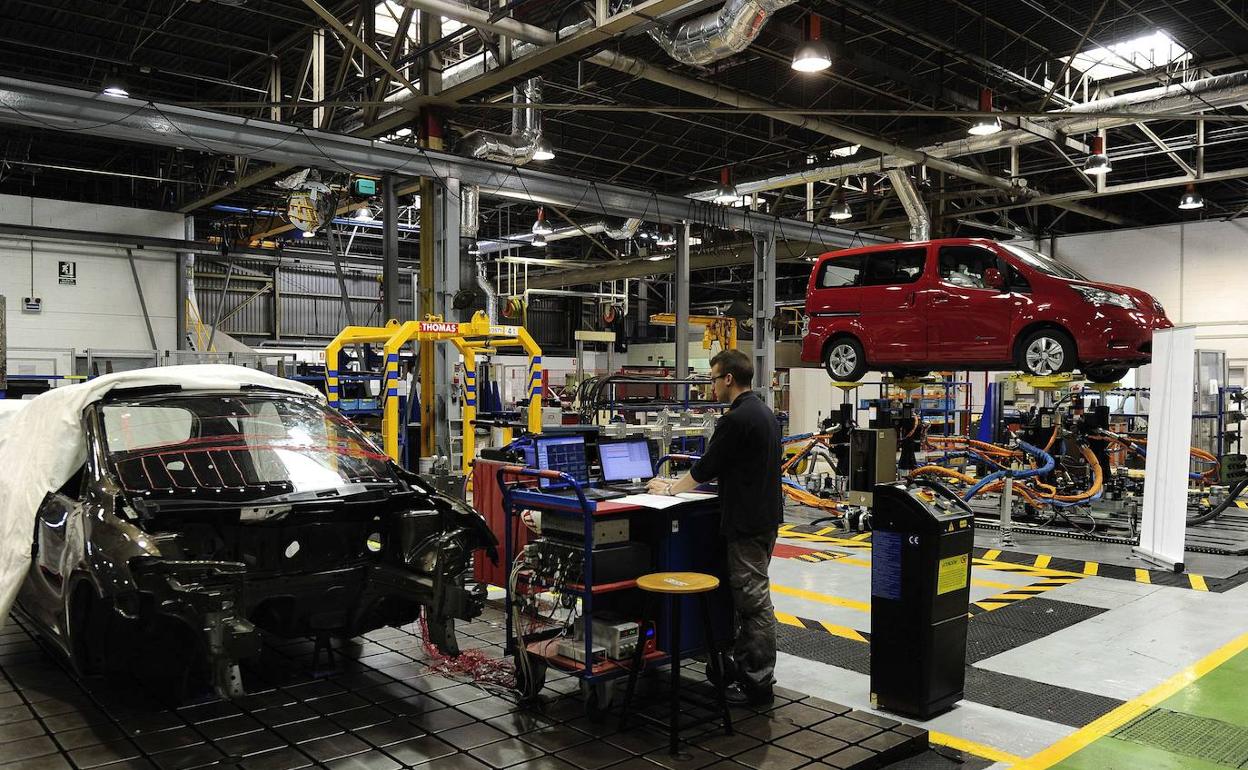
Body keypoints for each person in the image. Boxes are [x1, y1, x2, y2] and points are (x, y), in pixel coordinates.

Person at [647, 349, 783, 705]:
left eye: (712, 380)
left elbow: (707, 466)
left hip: (747, 524)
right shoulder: (765, 413)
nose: (710, 388)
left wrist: (670, 488)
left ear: (728, 379)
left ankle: (757, 685)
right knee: (746, 598)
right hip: (765, 519)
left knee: (753, 603)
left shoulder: (736, 419)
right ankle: (742, 670)